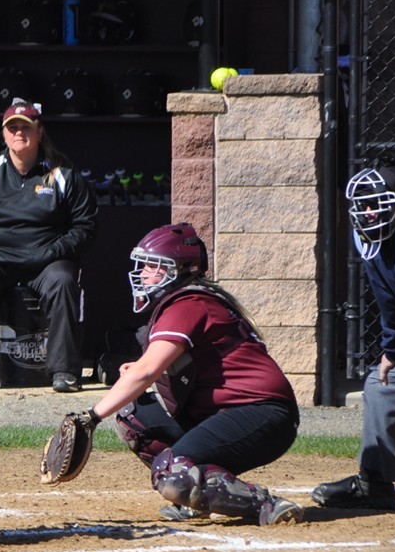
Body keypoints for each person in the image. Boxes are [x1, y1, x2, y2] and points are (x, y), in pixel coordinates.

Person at [81, 223, 303, 525]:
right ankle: (197, 495)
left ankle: (264, 503)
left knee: (172, 473)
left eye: (153, 266)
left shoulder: (188, 303)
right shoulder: (184, 302)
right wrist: (139, 369)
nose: (143, 273)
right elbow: (165, 365)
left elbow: (146, 372)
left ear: (183, 269)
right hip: (224, 412)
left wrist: (91, 417)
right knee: (133, 415)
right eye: (144, 265)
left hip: (262, 414)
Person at [313, 165, 395, 511]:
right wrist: (394, 351)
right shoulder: (373, 239)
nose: (368, 213)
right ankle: (375, 485)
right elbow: (393, 301)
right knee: (386, 383)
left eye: (377, 204)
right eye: (364, 205)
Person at [0, 100, 97, 395]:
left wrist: (54, 251)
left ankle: (64, 372)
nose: (19, 133)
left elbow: (86, 226)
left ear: (40, 132)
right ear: (4, 134)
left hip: (47, 260)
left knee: (64, 281)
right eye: (13, 127)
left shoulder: (63, 173)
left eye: (26, 127)